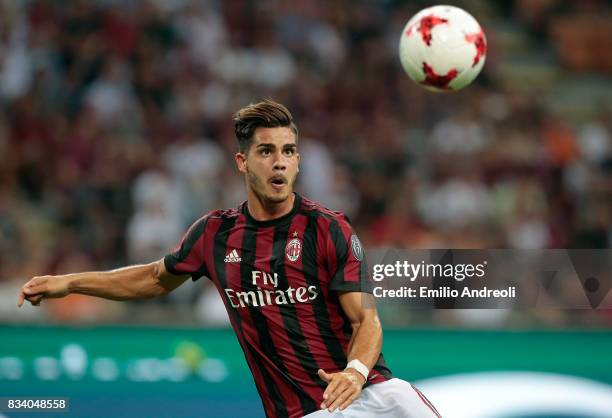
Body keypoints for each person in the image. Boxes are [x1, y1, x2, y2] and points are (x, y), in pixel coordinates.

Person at [18, 99, 441, 418]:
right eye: (266, 151)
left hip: (374, 394)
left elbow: (366, 319)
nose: (280, 162)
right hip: (306, 412)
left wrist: (354, 372)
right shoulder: (214, 235)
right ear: (242, 161)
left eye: (289, 151)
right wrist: (70, 282)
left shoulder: (328, 228)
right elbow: (152, 279)